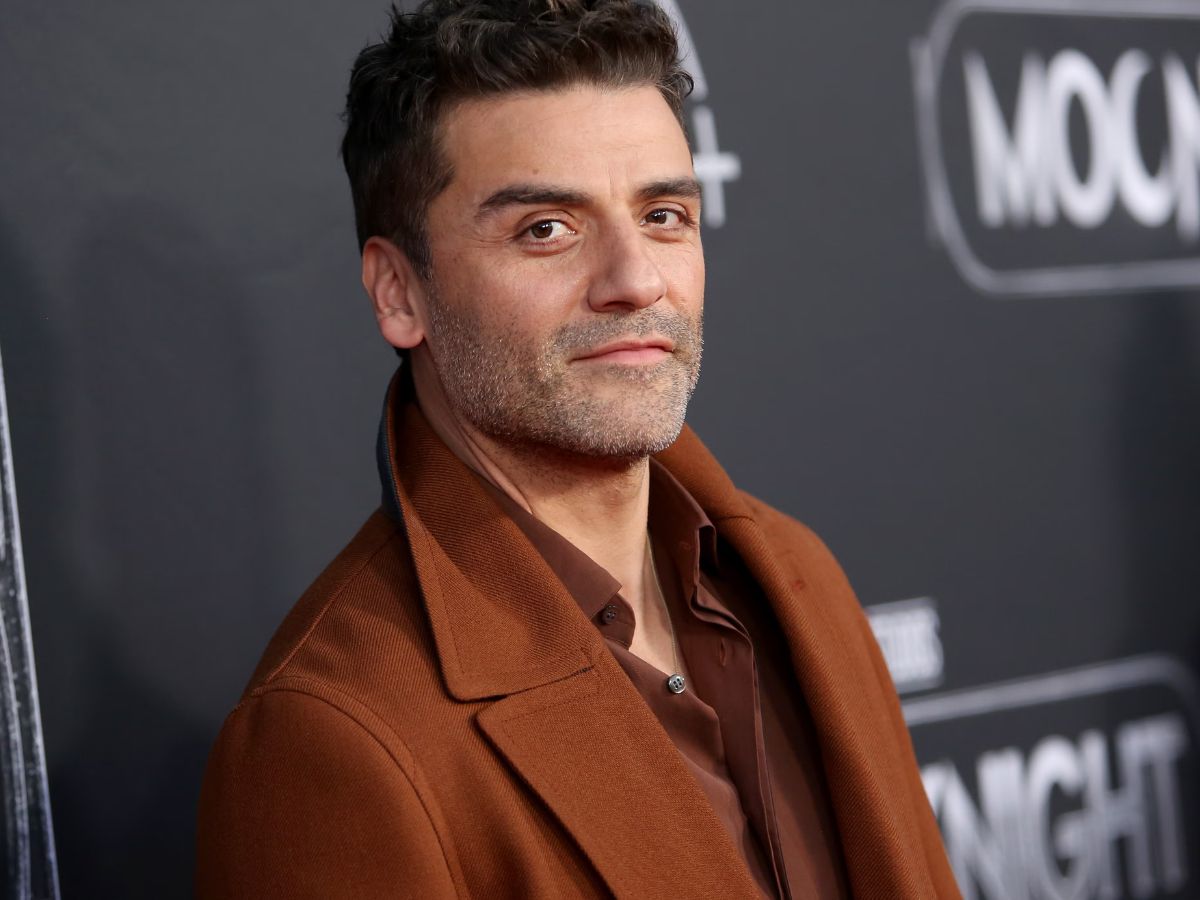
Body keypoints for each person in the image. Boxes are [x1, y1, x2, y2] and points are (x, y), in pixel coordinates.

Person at [195, 1, 960, 897]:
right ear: (399, 292)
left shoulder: (799, 584)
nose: (635, 281)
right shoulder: (332, 738)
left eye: (665, 214)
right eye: (546, 229)